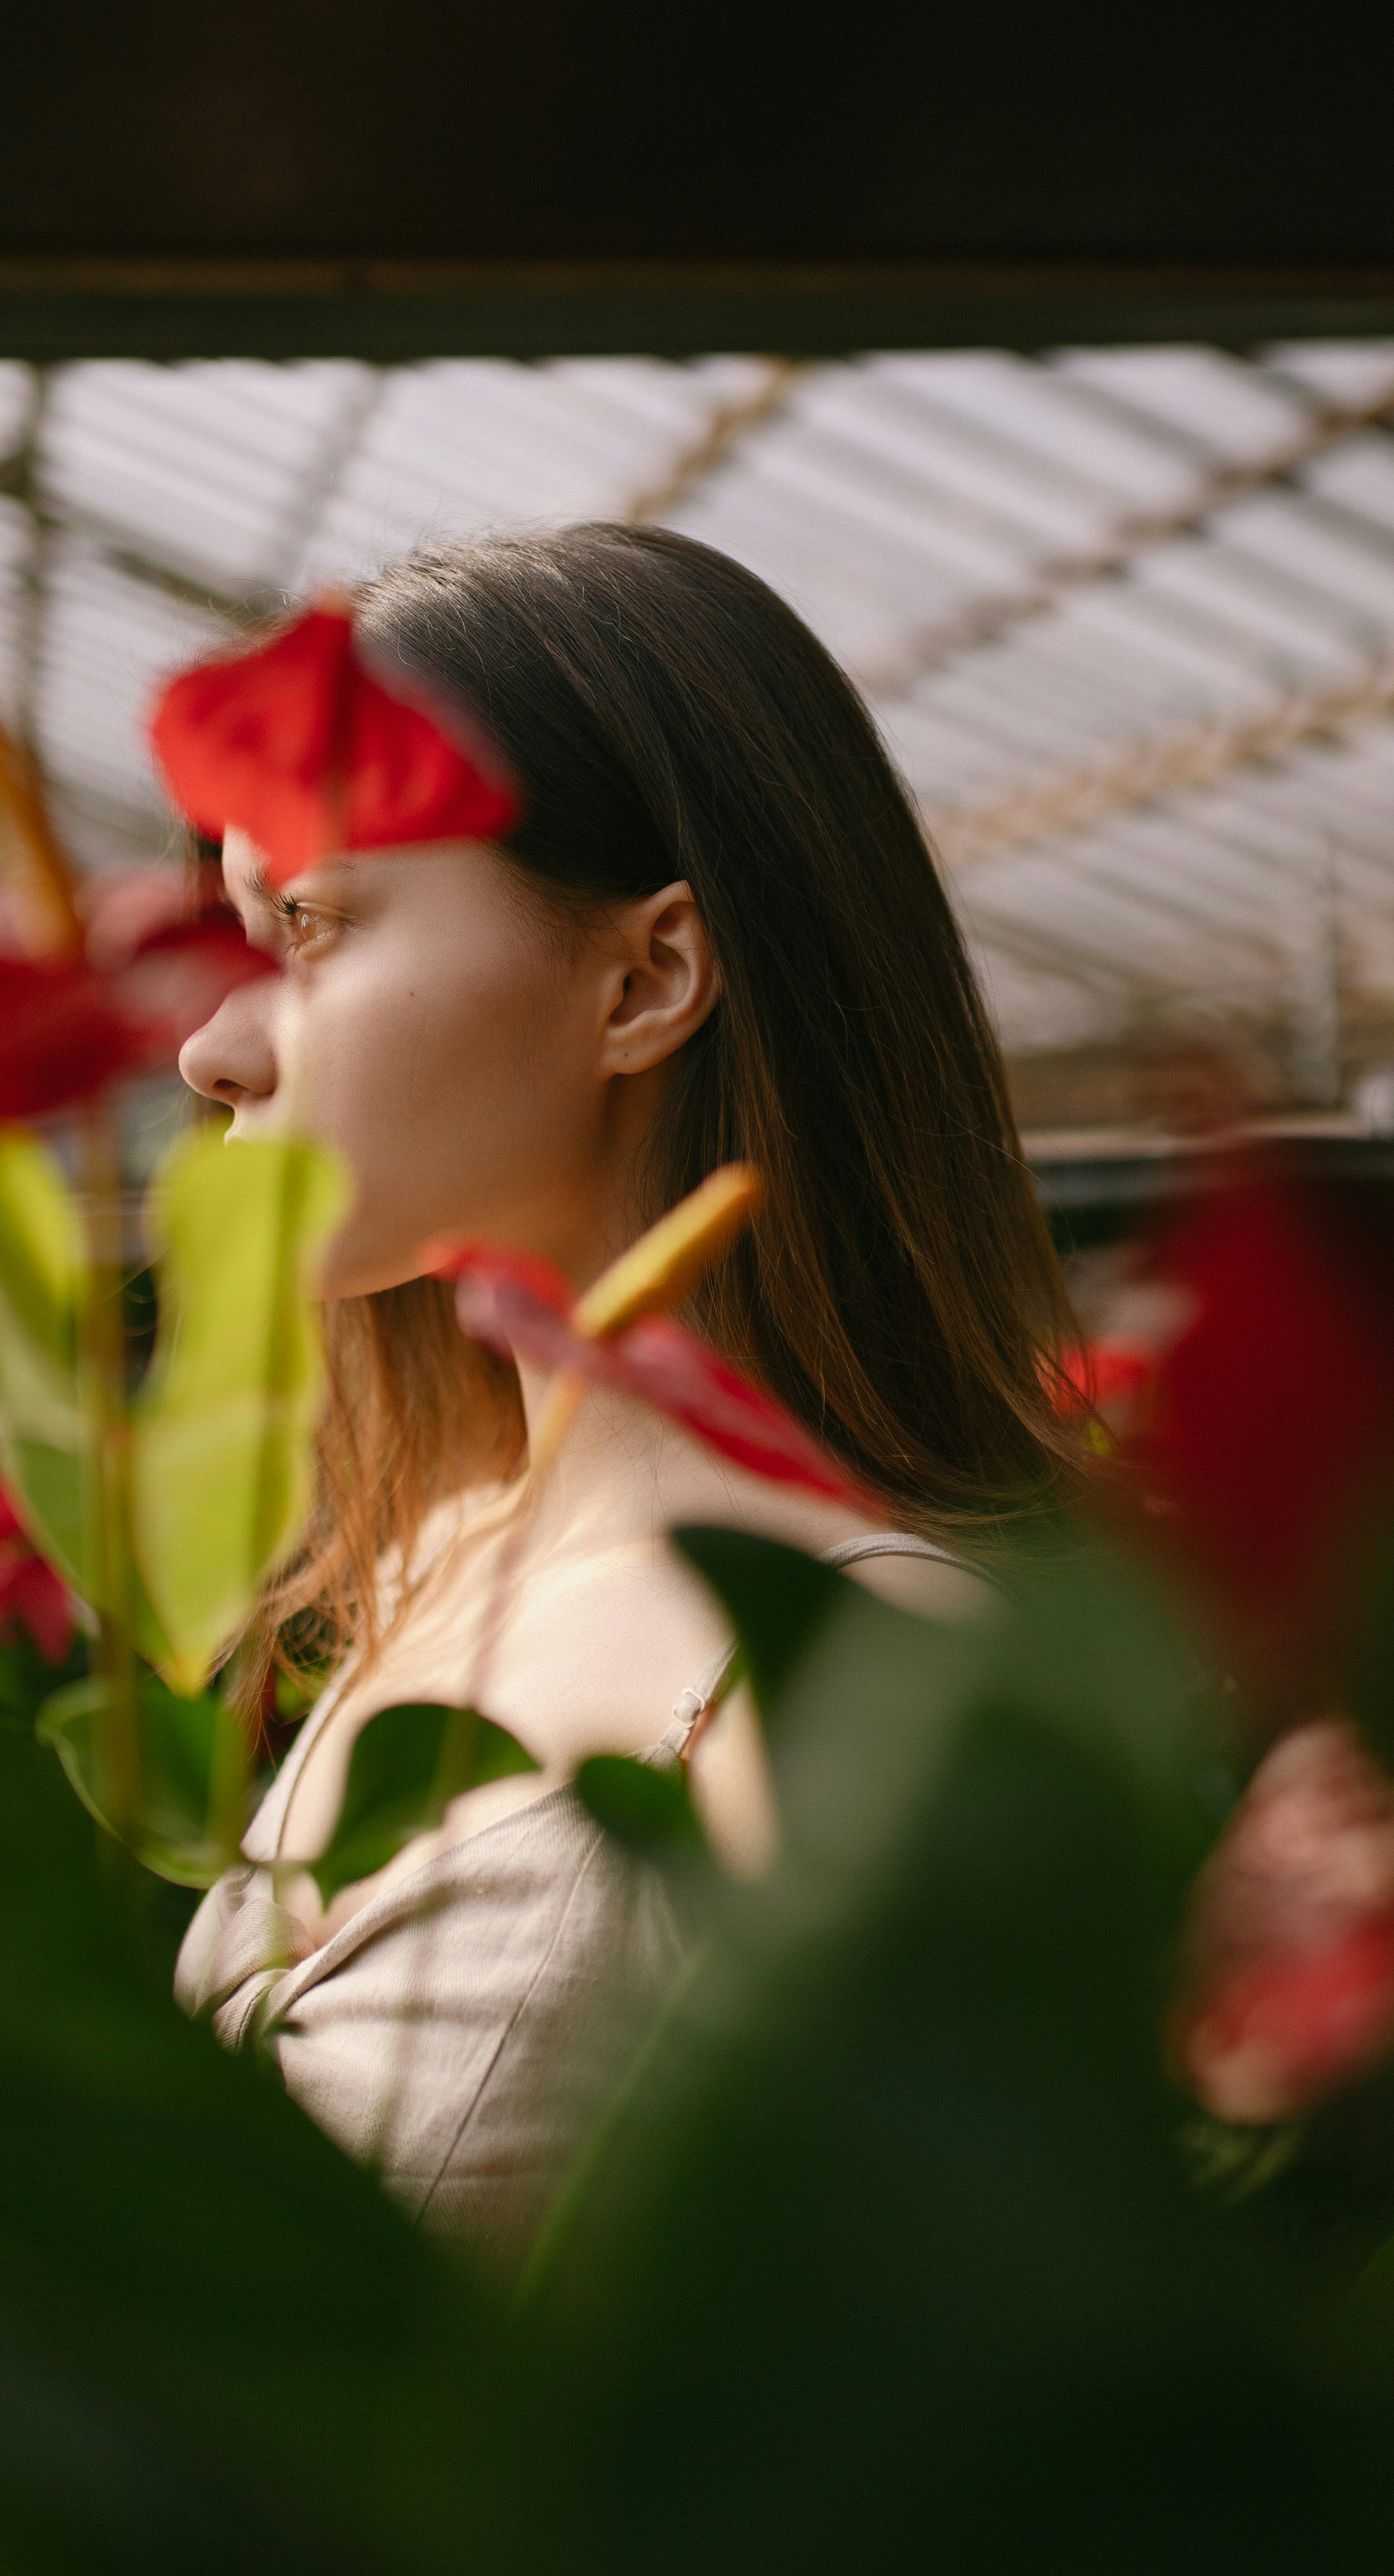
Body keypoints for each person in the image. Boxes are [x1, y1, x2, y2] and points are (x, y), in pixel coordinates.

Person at [173, 522, 1081, 2277]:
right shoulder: (433, 1548)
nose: (213, 1045)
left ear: (648, 977)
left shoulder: (867, 1680)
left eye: (313, 926)